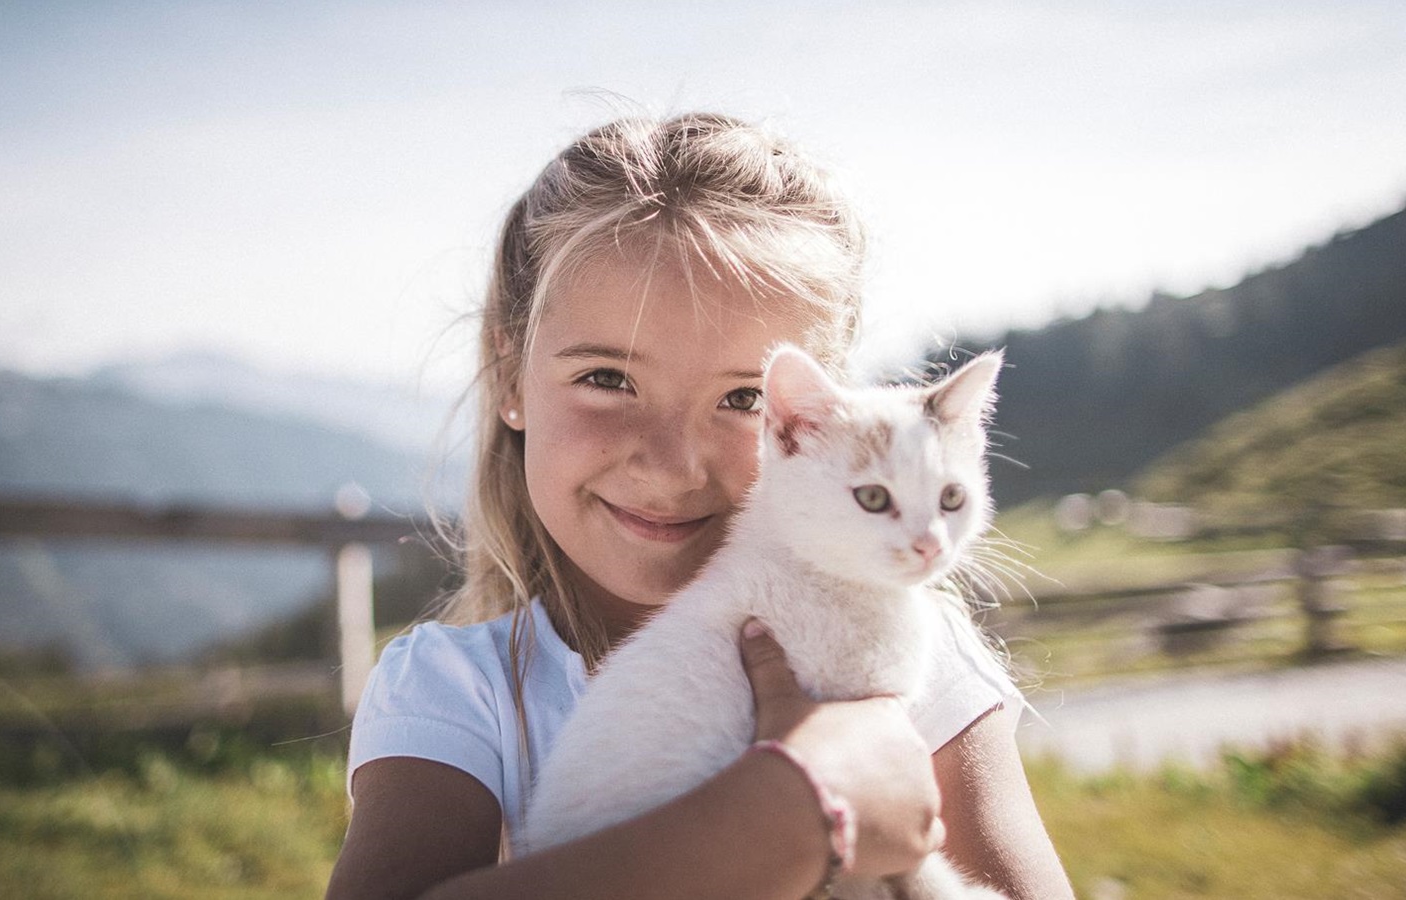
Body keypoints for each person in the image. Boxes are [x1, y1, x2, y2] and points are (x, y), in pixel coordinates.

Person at [325, 112, 1073, 900]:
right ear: (511, 381)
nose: (672, 467)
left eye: (747, 398)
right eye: (607, 379)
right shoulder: (455, 693)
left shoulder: (920, 651)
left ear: (808, 425)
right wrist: (795, 812)